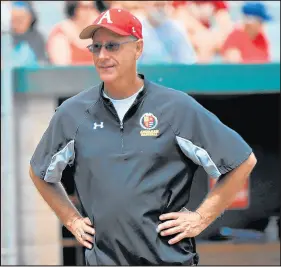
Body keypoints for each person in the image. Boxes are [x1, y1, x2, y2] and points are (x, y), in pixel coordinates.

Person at [29, 8, 257, 266]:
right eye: (96, 47)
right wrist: (71, 219)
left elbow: (241, 161)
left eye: (113, 46)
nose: (103, 56)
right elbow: (39, 172)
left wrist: (201, 218)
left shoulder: (176, 107)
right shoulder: (73, 113)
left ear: (138, 49)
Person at [47, 1, 100, 65]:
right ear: (74, 9)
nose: (90, 12)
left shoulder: (99, 32)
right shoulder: (61, 33)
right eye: (85, 8)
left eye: (92, 7)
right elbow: (63, 68)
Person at [10, 1, 48, 67]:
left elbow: (43, 63)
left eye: (21, 19)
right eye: (15, 19)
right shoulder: (5, 38)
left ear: (30, 18)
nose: (17, 23)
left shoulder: (38, 38)